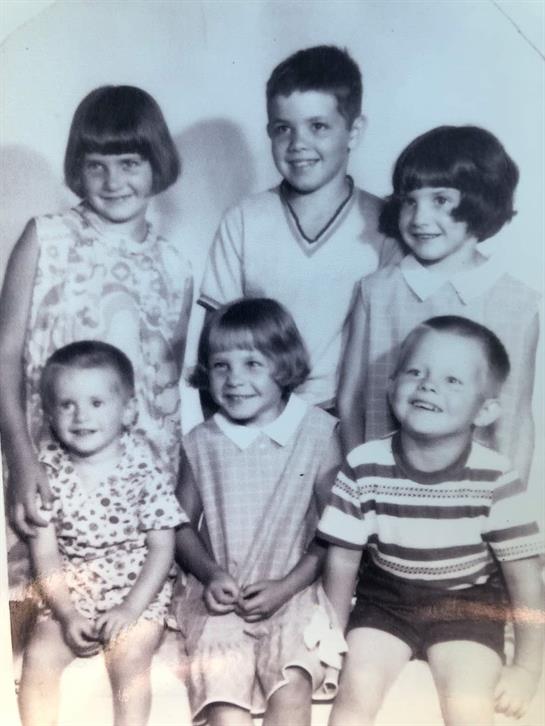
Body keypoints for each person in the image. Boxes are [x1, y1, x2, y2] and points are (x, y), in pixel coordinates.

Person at [319, 316, 544, 726]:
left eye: (452, 380)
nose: (427, 385)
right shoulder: (364, 465)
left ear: (486, 409)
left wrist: (527, 669)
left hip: (467, 606)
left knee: (468, 705)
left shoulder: (495, 477)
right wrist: (330, 642)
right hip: (385, 601)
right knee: (355, 694)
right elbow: (342, 561)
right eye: (415, 372)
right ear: (392, 386)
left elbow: (526, 579)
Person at [0, 84, 192, 540]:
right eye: (96, 166)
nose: (113, 181)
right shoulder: (45, 239)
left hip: (138, 483)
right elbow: (4, 355)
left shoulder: (175, 266)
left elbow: (163, 393)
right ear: (78, 170)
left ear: (157, 163)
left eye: (129, 163)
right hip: (48, 466)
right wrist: (21, 459)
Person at [197, 45, 402, 413]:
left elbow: (393, 348)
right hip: (258, 414)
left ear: (354, 131)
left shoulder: (387, 223)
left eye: (318, 126)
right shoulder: (243, 220)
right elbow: (216, 348)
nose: (298, 145)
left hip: (347, 415)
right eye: (283, 129)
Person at [173, 298, 343, 726]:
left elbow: (336, 528)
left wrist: (287, 586)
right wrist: (211, 574)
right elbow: (180, 526)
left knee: (292, 684)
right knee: (223, 699)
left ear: (283, 366)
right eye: (221, 365)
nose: (234, 379)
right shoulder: (201, 441)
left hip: (295, 592)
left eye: (252, 363)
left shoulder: (318, 432)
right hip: (220, 598)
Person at [337, 125, 539, 482]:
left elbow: (517, 418)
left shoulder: (517, 303)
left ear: (481, 200)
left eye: (440, 201)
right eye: (410, 201)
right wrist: (363, 482)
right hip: (386, 490)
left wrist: (508, 500)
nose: (419, 218)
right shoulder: (376, 291)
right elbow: (351, 401)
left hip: (473, 497)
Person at [17, 341, 188, 726]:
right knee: (38, 657)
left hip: (135, 592)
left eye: (96, 403)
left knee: (130, 658)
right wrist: (67, 614)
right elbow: (46, 555)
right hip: (69, 592)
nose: (81, 416)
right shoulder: (47, 473)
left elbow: (162, 550)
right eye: (67, 404)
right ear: (50, 415)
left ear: (127, 411)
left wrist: (130, 609)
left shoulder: (144, 471)